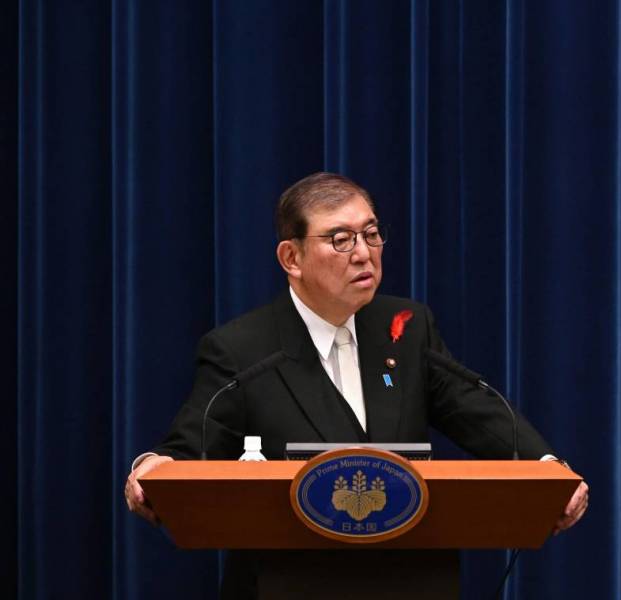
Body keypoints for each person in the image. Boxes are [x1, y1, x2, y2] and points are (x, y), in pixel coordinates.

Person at [123, 172, 588, 595]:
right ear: (292, 257)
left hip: (410, 581)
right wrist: (155, 467)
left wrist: (547, 467)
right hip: (289, 585)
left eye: (370, 233)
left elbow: (471, 407)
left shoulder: (407, 326)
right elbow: (192, 447)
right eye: (341, 239)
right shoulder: (242, 349)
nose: (364, 252)